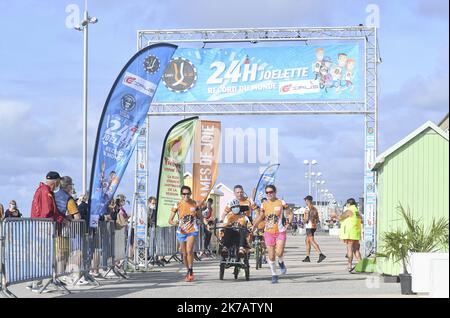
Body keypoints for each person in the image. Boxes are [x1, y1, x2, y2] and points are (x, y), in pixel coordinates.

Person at [29, 171, 68, 292]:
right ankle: (36, 284)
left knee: (41, 255)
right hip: (43, 227)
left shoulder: (42, 190)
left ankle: (35, 283)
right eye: (58, 182)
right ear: (56, 181)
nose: (59, 184)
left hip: (40, 226)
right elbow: (47, 213)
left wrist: (61, 217)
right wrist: (62, 219)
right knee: (42, 256)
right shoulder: (46, 192)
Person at [252, 185, 293, 283]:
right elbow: (261, 215)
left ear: (275, 192)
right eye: (267, 192)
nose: (269, 194)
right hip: (268, 232)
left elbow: (290, 213)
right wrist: (254, 225)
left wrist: (289, 223)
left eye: (271, 192)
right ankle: (274, 275)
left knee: (279, 252)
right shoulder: (264, 204)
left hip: (280, 231)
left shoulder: (281, 202)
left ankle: (281, 262)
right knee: (271, 255)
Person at [168, 186, 202, 282]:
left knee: (189, 250)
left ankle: (191, 270)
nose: (186, 195)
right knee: (184, 254)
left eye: (187, 193)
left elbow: (200, 217)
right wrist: (175, 222)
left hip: (192, 230)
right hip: (181, 231)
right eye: (184, 194)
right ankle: (188, 270)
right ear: (181, 195)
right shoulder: (177, 204)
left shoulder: (194, 204)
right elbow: (169, 220)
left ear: (190, 194)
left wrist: (203, 221)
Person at [339, 198, 362, 272]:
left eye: (347, 204)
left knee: (349, 249)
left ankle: (349, 265)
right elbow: (360, 219)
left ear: (349, 204)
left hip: (350, 233)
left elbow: (340, 217)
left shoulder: (349, 211)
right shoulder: (357, 211)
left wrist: (335, 214)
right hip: (356, 233)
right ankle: (361, 265)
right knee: (356, 250)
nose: (346, 205)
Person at [302, 195, 326, 263]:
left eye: (305, 200)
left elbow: (306, 219)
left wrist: (302, 223)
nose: (305, 202)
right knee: (307, 240)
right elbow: (318, 219)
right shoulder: (314, 208)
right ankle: (307, 257)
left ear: (307, 200)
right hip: (313, 226)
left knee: (311, 240)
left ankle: (320, 254)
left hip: (309, 226)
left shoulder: (307, 208)